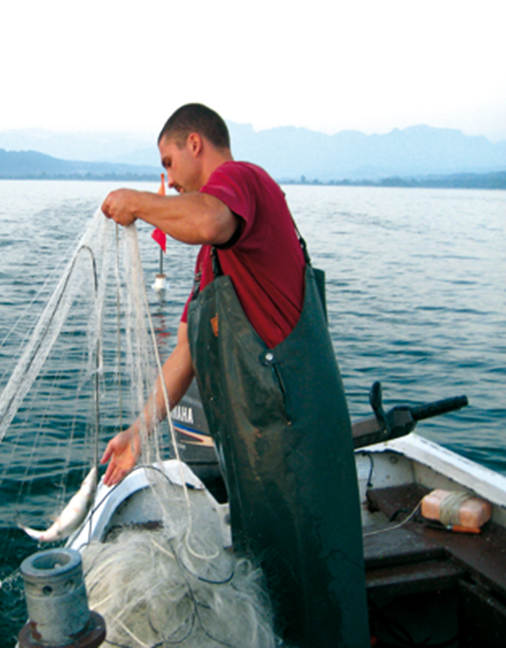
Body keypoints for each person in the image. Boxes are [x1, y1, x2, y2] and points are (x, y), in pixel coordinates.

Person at [100, 103, 369, 647]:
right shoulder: (210, 259)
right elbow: (185, 356)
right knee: (271, 586)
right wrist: (138, 432)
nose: (167, 179)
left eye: (168, 161)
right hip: (253, 455)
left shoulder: (240, 181)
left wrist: (138, 203)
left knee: (320, 592)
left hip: (298, 442)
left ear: (195, 143)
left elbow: (207, 219)